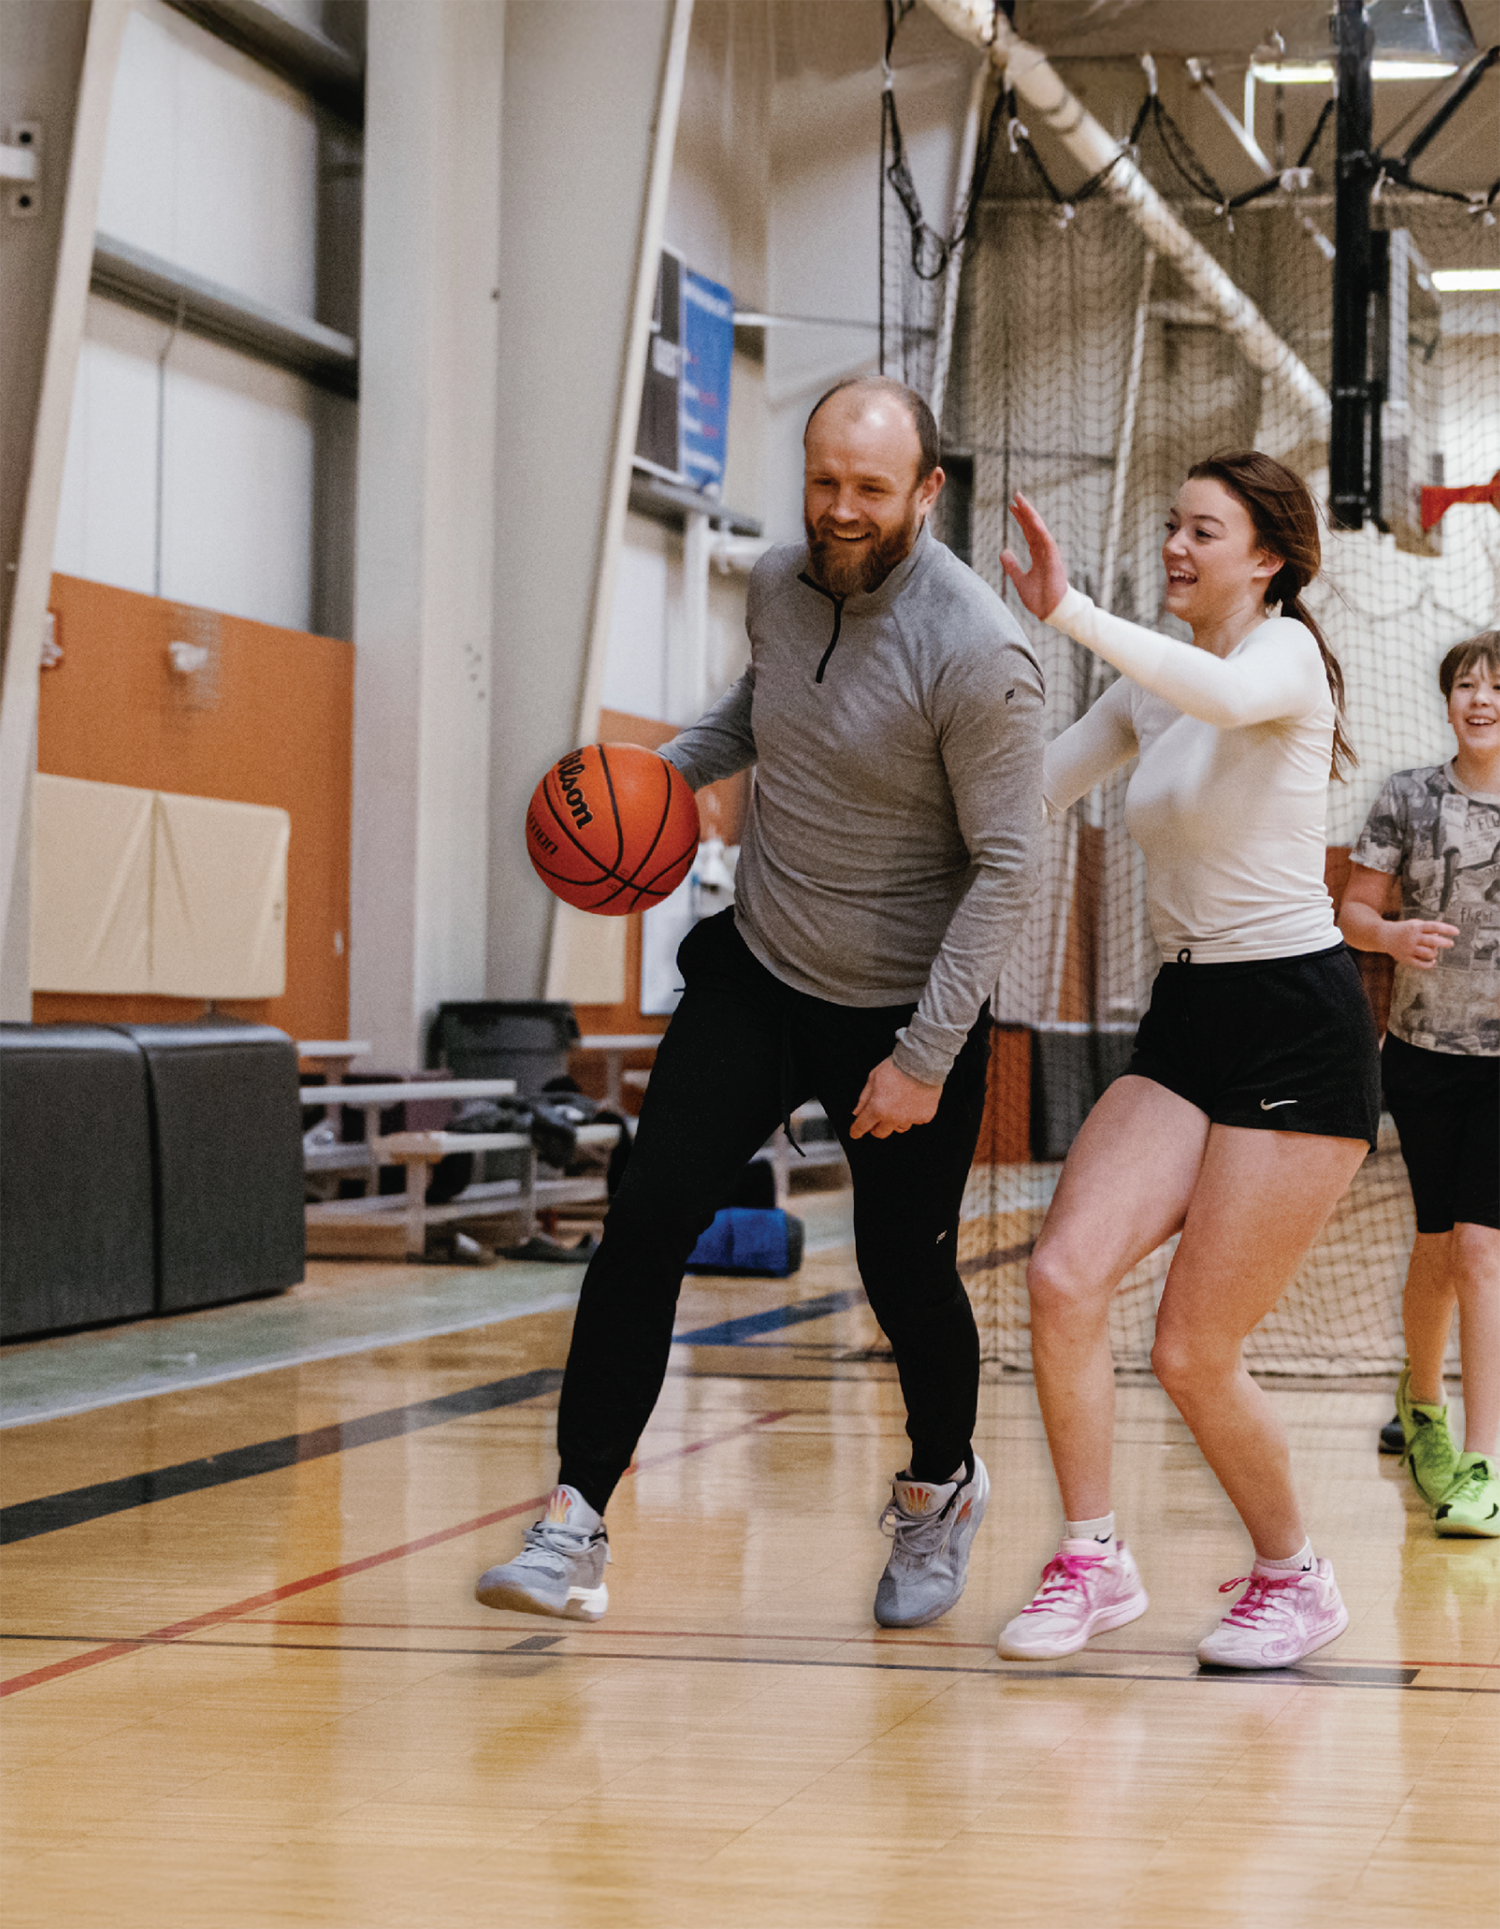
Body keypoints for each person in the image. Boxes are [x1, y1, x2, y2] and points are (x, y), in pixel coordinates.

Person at [475, 376, 1045, 1629]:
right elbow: (764, 710)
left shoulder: (976, 650)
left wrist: (925, 1057)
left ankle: (941, 1486)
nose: (841, 510)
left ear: (928, 492)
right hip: (761, 969)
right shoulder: (777, 582)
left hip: (902, 1014)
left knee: (908, 1280)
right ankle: (574, 1521)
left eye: (872, 489)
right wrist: (649, 788)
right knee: (643, 1227)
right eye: (823, 480)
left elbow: (1012, 865)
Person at [994, 450, 1380, 1670]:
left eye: (1201, 531)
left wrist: (1066, 613)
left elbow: (1215, 698)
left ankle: (1296, 1578)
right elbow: (1031, 796)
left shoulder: (1280, 661)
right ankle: (1093, 1558)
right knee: (1061, 1277)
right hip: (1188, 1016)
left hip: (1298, 1027)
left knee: (1191, 1349)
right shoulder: (1147, 688)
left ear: (1265, 559)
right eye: (1170, 525)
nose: (1175, 545)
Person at [1339, 631, 1500, 1537]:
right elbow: (1353, 911)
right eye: (1467, 684)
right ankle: (1424, 1403)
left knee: (1483, 1247)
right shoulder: (1408, 795)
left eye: (1498, 685)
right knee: (1437, 1242)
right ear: (1447, 700)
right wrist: (1393, 936)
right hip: (1425, 1053)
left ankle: (1483, 1463)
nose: (1481, 698)